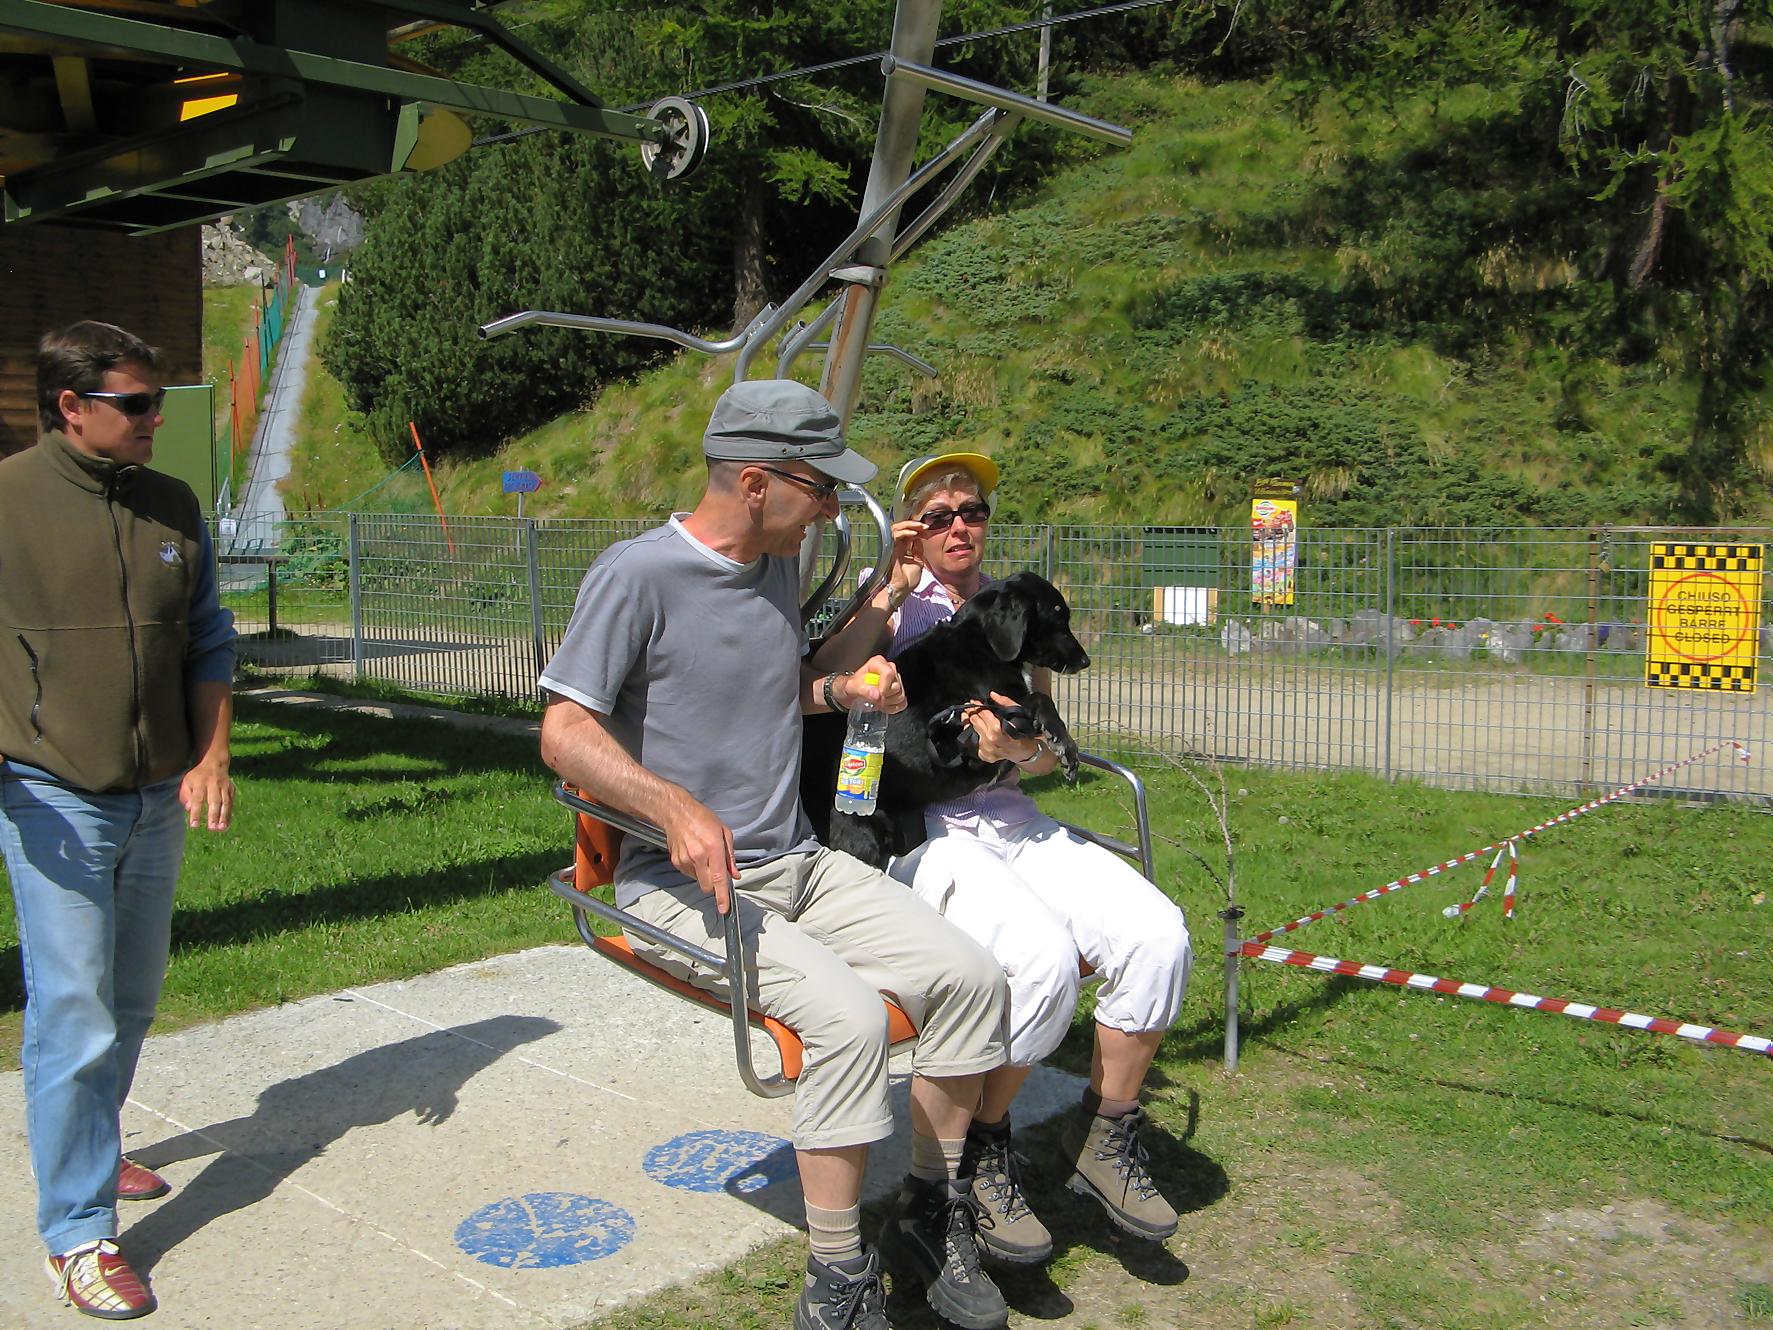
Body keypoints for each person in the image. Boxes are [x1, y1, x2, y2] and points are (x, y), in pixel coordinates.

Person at [538, 381, 1014, 1330]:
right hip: (678, 879)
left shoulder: (774, 566)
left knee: (973, 978)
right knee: (847, 1020)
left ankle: (928, 1210)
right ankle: (836, 1279)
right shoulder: (637, 576)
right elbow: (562, 730)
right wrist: (670, 805)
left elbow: (775, 686)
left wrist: (839, 692)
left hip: (795, 860)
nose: (831, 509)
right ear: (755, 483)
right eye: (820, 488)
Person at [817, 451, 1194, 1263]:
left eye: (973, 512)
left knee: (1158, 936)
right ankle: (980, 1153)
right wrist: (888, 586)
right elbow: (823, 681)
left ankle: (1104, 1132)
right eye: (938, 514)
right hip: (924, 826)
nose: (959, 526)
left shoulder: (1011, 608)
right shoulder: (890, 600)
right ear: (912, 524)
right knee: (1041, 961)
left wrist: (1019, 749)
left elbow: (1049, 740)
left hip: (1010, 815)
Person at [0, 321, 237, 1321]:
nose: (154, 420)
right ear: (72, 405)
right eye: (136, 403)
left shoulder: (171, 503)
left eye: (158, 402)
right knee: (74, 1011)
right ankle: (77, 1233)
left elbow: (209, 636)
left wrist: (211, 753)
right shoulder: (8, 500)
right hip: (51, 794)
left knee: (130, 1002)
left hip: (156, 796)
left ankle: (91, 1144)